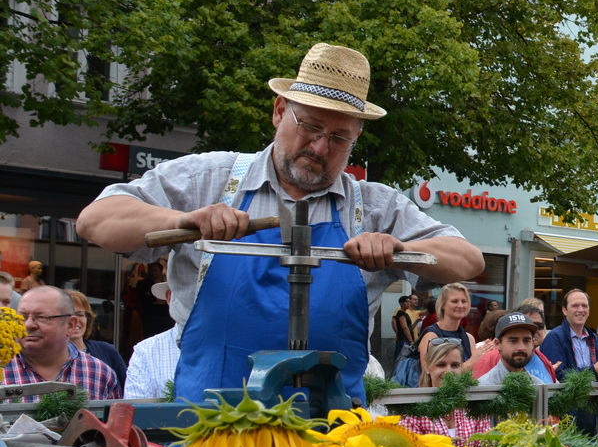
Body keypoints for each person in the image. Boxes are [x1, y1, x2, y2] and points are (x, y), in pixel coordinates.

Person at [75, 43, 483, 405]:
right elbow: (97, 220)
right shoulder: (209, 180)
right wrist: (185, 220)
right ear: (279, 112)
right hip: (216, 428)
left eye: (340, 138)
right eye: (309, 127)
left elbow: (467, 261)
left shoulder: (375, 206)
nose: (320, 147)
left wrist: (397, 249)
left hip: (333, 433)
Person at [3, 285, 120, 402]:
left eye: (41, 317)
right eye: (22, 317)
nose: (28, 324)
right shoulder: (2, 368)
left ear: (70, 325)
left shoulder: (99, 374)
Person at [399, 338, 494, 443]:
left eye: (455, 365)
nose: (448, 371)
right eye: (441, 365)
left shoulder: (475, 409)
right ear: (427, 367)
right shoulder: (413, 413)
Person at [540, 288, 598, 381]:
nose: (581, 310)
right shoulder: (554, 337)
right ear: (564, 310)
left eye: (584, 306)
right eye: (575, 306)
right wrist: (594, 370)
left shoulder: (593, 338)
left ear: (589, 311)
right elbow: (557, 375)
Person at [125, 282, 181, 400]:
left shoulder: (228, 346)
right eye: (185, 293)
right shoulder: (146, 351)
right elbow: (137, 411)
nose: (194, 300)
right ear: (169, 298)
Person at [64, 289, 128, 387]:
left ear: (88, 319)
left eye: (80, 314)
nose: (75, 320)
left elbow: (126, 391)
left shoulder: (107, 351)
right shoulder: (44, 355)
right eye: (68, 315)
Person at [419, 282, 481, 373]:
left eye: (464, 301)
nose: (460, 306)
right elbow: (428, 373)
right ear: (443, 304)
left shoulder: (469, 338)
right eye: (454, 301)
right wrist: (471, 362)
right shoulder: (431, 336)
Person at [476, 311, 544, 387]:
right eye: (513, 341)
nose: (521, 347)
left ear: (532, 343)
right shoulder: (484, 387)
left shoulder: (539, 386)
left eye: (526, 341)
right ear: (497, 344)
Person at [391, 295, 419, 362]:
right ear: (401, 303)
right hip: (403, 340)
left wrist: (417, 321)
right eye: (407, 302)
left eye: (409, 302)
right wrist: (411, 341)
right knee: (401, 359)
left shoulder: (405, 313)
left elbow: (410, 328)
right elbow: (405, 327)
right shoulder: (400, 313)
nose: (409, 303)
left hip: (406, 340)